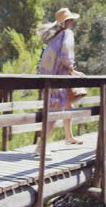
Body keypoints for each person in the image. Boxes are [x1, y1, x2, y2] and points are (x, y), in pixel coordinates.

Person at [35, 8, 86, 156]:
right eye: (70, 19)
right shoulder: (67, 34)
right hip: (58, 77)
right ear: (66, 22)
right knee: (56, 108)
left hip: (50, 76)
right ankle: (41, 146)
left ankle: (69, 137)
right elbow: (66, 54)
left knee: (67, 104)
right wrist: (72, 69)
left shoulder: (55, 36)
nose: (72, 22)